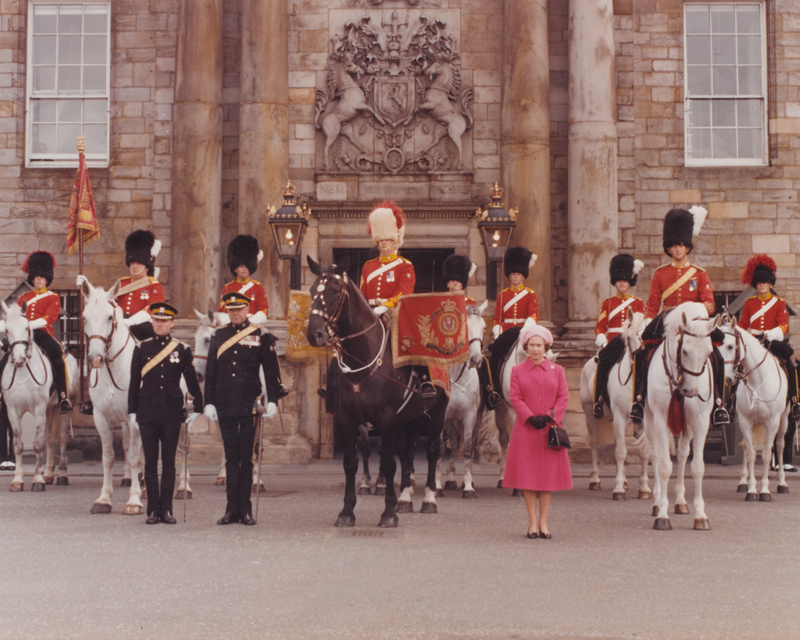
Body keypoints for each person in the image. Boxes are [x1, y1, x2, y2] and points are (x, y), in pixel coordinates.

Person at [629, 206, 729, 427]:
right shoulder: (660, 273)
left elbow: (710, 304)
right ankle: (638, 400)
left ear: (687, 246)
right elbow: (653, 304)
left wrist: (697, 311)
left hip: (693, 322)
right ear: (669, 247)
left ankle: (720, 404)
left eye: (682, 245)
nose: (678, 249)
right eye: (674, 245)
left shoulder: (699, 273)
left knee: (718, 356)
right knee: (641, 353)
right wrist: (647, 321)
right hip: (667, 320)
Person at [204, 292, 284, 526]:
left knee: (246, 459)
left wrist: (273, 401)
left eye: (239, 309)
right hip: (225, 404)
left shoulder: (260, 335)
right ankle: (231, 510)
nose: (235, 313)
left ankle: (246, 510)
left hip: (249, 404)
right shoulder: (219, 335)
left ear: (247, 309)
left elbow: (270, 371)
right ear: (227, 312)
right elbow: (212, 372)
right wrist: (208, 401)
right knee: (230, 459)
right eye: (231, 310)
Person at [128, 302, 203, 524]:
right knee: (150, 462)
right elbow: (134, 383)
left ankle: (167, 510)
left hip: (172, 413)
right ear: (152, 322)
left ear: (172, 323)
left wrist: (198, 407)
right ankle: (152, 510)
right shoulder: (141, 348)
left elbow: (191, 380)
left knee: (169, 463)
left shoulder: (182, 349)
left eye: (164, 321)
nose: (160, 324)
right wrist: (132, 412)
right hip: (147, 411)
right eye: (157, 320)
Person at [502, 324, 572, 539]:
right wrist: (530, 417)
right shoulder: (517, 371)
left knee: (547, 480)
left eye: (539, 345)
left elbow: (564, 397)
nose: (535, 349)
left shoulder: (557, 370)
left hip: (550, 429)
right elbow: (515, 397)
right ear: (526, 347)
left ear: (546, 347)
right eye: (531, 345)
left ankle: (544, 523)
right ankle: (532, 523)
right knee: (529, 479)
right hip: (527, 430)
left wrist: (551, 416)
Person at [738, 254, 799, 472]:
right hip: (754, 342)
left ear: (770, 283)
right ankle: (727, 405)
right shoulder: (749, 303)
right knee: (736, 367)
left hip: (772, 342)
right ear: (755, 284)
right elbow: (743, 324)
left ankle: (794, 400)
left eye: (765, 282)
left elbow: (783, 326)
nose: (762, 285)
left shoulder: (779, 303)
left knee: (792, 363)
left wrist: (771, 334)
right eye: (759, 282)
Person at [0, 252, 71, 413]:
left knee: (58, 358)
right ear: (32, 277)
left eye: (43, 276)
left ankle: (63, 398)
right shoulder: (23, 297)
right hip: (21, 336)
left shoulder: (53, 297)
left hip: (42, 334)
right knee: (4, 359)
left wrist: (27, 326)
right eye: (37, 276)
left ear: (47, 278)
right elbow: (13, 319)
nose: (39, 279)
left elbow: (49, 318)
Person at [592, 254, 645, 418]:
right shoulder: (607, 303)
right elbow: (600, 327)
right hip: (613, 344)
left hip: (631, 342)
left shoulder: (638, 303)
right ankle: (598, 400)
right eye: (619, 280)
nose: (622, 283)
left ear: (630, 282)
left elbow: (641, 325)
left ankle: (640, 401)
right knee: (603, 362)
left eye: (625, 280)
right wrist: (603, 344)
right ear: (615, 282)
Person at [359, 200, 416, 318]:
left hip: (393, 311)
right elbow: (362, 294)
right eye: (381, 239)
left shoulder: (404, 265)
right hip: (370, 312)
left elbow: (404, 292)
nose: (383, 242)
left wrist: (386, 306)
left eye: (387, 239)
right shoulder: (368, 266)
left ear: (395, 242)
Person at [115, 229, 165, 340]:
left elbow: (152, 308)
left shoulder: (155, 286)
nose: (135, 266)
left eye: (139, 263)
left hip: (141, 327)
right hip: (120, 324)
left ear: (147, 267)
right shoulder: (122, 283)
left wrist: (131, 321)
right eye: (132, 263)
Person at [218, 234, 269, 324]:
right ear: (235, 268)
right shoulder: (227, 288)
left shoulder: (258, 287)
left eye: (247, 266)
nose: (244, 269)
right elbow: (222, 311)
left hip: (251, 328)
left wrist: (251, 321)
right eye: (241, 266)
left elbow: (263, 310)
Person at [492, 247, 539, 339]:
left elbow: (533, 316)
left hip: (524, 332)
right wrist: (498, 335)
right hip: (505, 334)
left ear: (523, 277)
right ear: (509, 276)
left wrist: (524, 331)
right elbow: (497, 319)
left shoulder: (530, 294)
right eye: (513, 274)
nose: (516, 277)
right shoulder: (502, 295)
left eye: (518, 274)